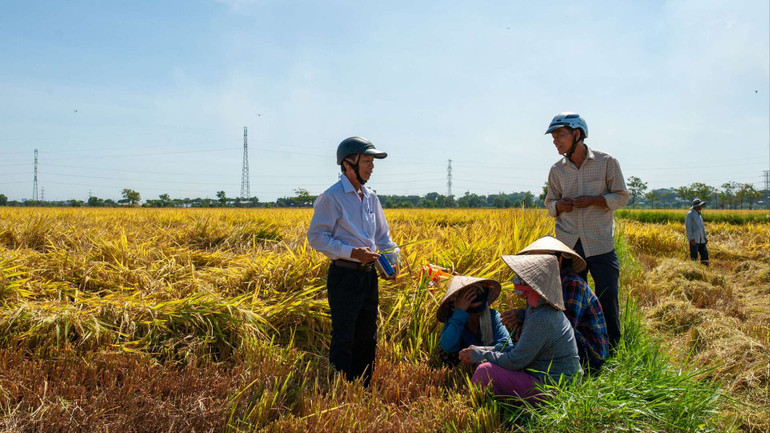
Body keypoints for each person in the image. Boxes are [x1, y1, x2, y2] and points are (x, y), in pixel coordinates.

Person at [307, 136, 399, 387]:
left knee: (367, 335)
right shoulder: (332, 197)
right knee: (345, 334)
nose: (372, 167)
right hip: (344, 275)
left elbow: (382, 236)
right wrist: (351, 252)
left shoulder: (371, 197)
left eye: (372, 161)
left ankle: (363, 386)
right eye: (367, 161)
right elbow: (316, 238)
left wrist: (392, 259)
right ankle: (340, 388)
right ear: (348, 163)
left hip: (369, 275)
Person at [543, 112, 629, 353]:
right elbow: (549, 203)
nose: (555, 141)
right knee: (571, 300)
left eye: (560, 135)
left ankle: (611, 349)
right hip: (569, 246)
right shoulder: (556, 171)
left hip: (599, 243)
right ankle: (575, 350)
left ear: (577, 134)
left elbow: (622, 196)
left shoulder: (606, 162)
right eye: (553, 137)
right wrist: (560, 205)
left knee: (607, 295)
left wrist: (595, 200)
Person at [459, 254, 582, 403]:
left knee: (485, 371)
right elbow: (519, 349)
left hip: (555, 389)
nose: (517, 281)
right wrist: (483, 350)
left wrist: (479, 354)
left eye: (523, 280)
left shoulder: (542, 317)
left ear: (533, 286)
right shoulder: (536, 307)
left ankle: (470, 407)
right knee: (484, 359)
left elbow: (515, 360)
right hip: (545, 377)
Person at [501, 235, 609, 372]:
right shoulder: (540, 283)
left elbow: (561, 327)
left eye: (543, 260)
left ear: (559, 260)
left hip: (591, 355)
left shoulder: (572, 284)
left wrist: (523, 320)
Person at [436, 275, 511, 365]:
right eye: (467, 297)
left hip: (488, 359)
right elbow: (447, 346)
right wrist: (459, 313)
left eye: (476, 295)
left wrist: (479, 352)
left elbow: (507, 346)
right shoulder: (454, 319)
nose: (474, 316)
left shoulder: (493, 316)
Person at [685, 198, 709, 266]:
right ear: (697, 206)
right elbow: (688, 227)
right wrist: (691, 239)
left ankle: (706, 269)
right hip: (694, 239)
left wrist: (705, 237)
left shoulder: (699, 214)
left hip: (701, 239)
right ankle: (694, 269)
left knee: (705, 255)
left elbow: (702, 227)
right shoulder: (690, 214)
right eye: (700, 205)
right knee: (694, 256)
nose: (701, 206)